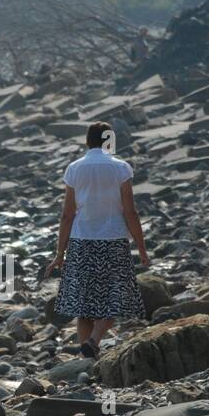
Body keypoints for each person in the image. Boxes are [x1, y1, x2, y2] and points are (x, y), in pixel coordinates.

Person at [43, 121, 149, 357]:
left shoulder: (74, 169)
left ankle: (87, 356)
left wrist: (60, 254)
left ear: (87, 141)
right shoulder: (121, 168)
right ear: (109, 140)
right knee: (112, 299)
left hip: (81, 241)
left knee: (84, 304)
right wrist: (141, 247)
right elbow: (130, 212)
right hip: (113, 239)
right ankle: (92, 342)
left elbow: (67, 214)